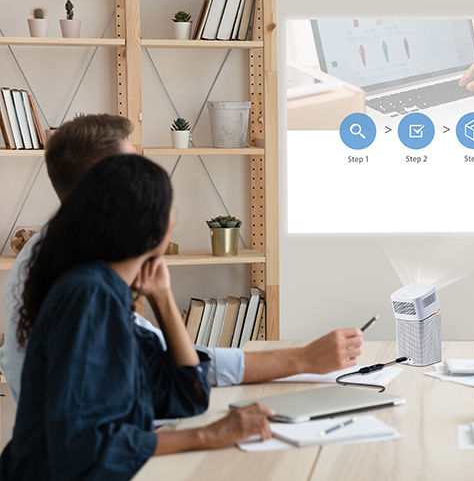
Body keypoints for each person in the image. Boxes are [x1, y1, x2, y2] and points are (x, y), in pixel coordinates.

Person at [0, 114, 364, 401]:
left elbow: (164, 365)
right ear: (111, 189)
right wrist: (301, 360)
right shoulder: (87, 284)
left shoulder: (47, 252)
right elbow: (177, 372)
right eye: (135, 166)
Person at [1, 155, 278, 479]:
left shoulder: (110, 291)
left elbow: (189, 397)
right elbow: (81, 445)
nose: (174, 220)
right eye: (171, 211)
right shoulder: (89, 296)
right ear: (151, 225)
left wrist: (162, 297)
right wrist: (206, 435)